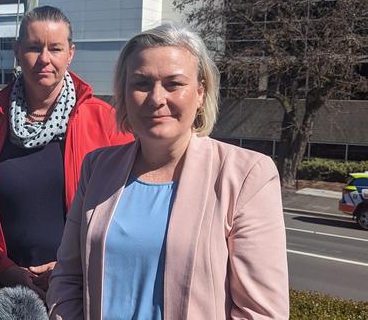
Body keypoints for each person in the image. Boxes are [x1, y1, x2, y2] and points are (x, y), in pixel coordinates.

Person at [48, 24, 289, 319]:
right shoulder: (97, 168)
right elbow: (67, 278)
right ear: (123, 93)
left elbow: (262, 312)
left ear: (200, 92)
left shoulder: (247, 176)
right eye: (142, 83)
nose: (156, 98)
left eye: (174, 84)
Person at [0, 5, 132, 309]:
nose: (44, 59)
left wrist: (69, 265)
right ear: (17, 52)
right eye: (33, 47)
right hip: (6, 291)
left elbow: (131, 207)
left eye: (55, 48)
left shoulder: (107, 122)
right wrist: (4, 270)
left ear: (70, 54)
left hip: (82, 287)